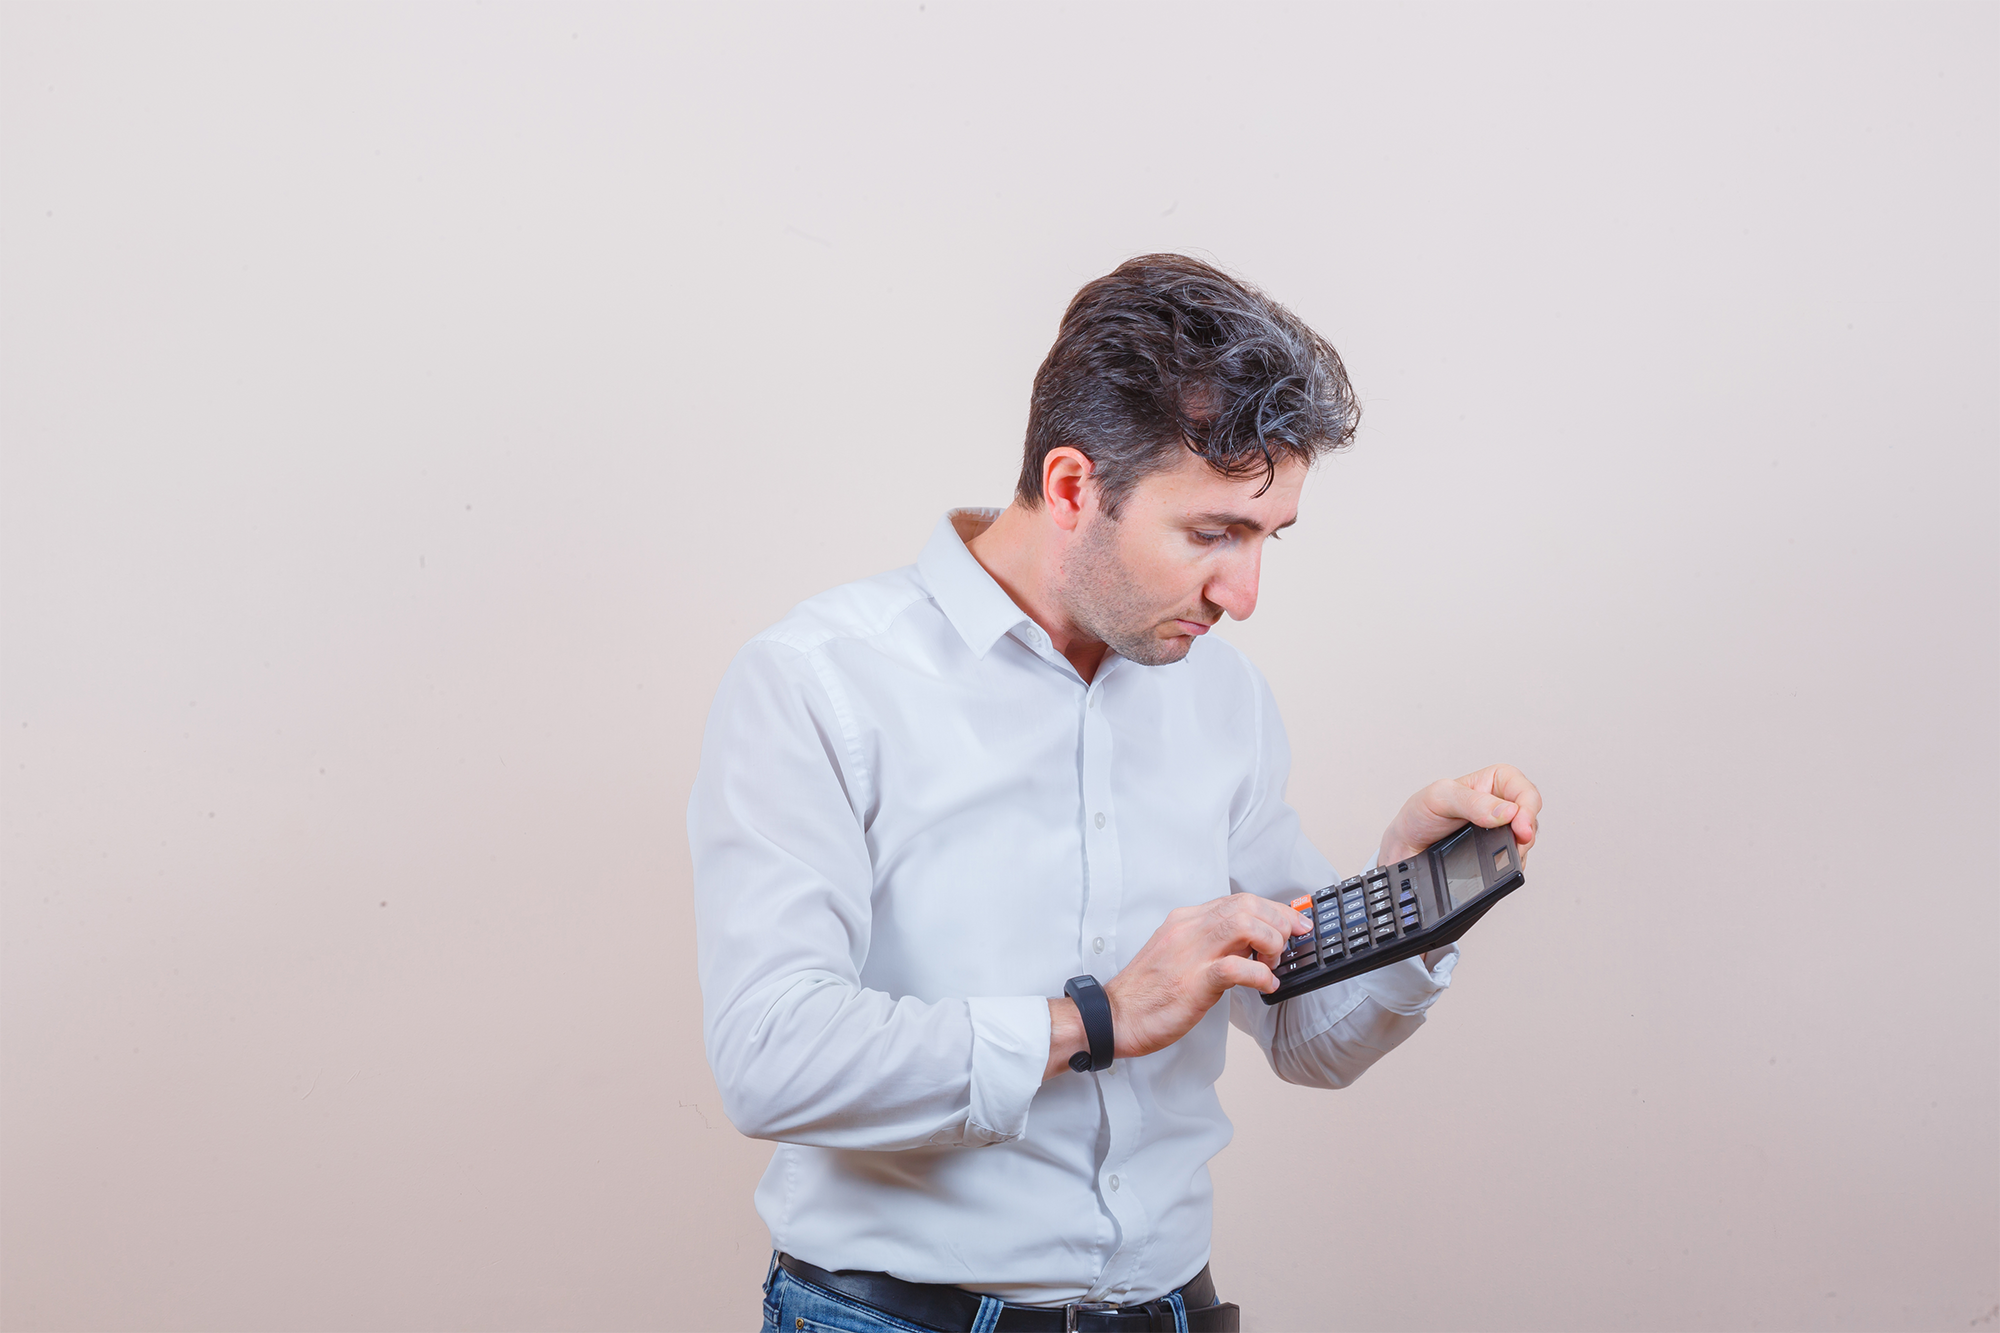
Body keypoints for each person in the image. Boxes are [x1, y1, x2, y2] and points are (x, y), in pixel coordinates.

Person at [690, 254, 1543, 1332]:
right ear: (1069, 487)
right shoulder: (819, 682)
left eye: (1265, 537)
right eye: (1212, 533)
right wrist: (1091, 1019)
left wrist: (1407, 895)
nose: (1242, 593)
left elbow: (1309, 1038)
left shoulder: (1220, 697)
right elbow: (770, 1056)